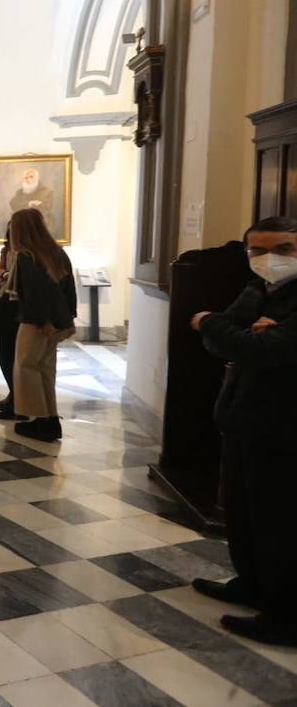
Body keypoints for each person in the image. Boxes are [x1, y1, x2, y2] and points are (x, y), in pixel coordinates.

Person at [189, 216, 297, 646]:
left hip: (284, 427)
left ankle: (286, 616)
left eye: (284, 250)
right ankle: (252, 585)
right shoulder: (258, 289)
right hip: (243, 417)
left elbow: (266, 349)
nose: (270, 259)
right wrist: (229, 333)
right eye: (258, 251)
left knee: (281, 524)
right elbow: (222, 343)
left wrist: (209, 322)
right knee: (245, 514)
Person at [7, 209, 77, 442]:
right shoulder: (57, 252)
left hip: (36, 323)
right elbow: (69, 289)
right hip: (56, 322)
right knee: (46, 369)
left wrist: (41, 322)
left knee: (26, 368)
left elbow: (34, 294)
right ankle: (51, 418)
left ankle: (38, 420)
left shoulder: (27, 256)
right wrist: (68, 319)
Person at [0, 239, 24, 421]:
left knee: (13, 355)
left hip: (18, 308)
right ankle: (15, 396)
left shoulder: (29, 254)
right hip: (5, 302)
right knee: (3, 352)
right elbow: (0, 269)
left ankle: (20, 402)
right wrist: (5, 273)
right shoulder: (7, 249)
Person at [9, 167, 56, 234]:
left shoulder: (46, 191)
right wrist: (30, 203)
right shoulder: (19, 192)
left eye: (31, 177)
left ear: (37, 178)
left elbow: (47, 208)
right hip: (22, 223)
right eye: (26, 178)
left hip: (40, 223)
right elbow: (13, 205)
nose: (28, 179)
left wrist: (38, 205)